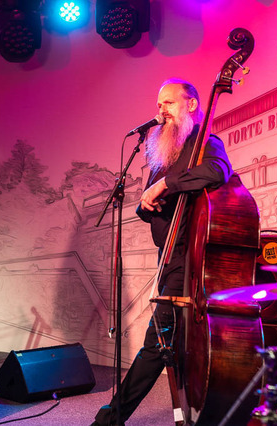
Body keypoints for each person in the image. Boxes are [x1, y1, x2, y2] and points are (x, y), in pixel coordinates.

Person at [92, 79, 233, 425]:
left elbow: (218, 171)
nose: (161, 110)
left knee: (157, 344)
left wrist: (167, 184)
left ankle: (111, 419)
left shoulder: (205, 142)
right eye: (158, 104)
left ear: (191, 105)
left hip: (191, 259)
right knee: (165, 345)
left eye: (168, 103)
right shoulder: (163, 153)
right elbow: (149, 204)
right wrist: (145, 205)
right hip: (168, 258)